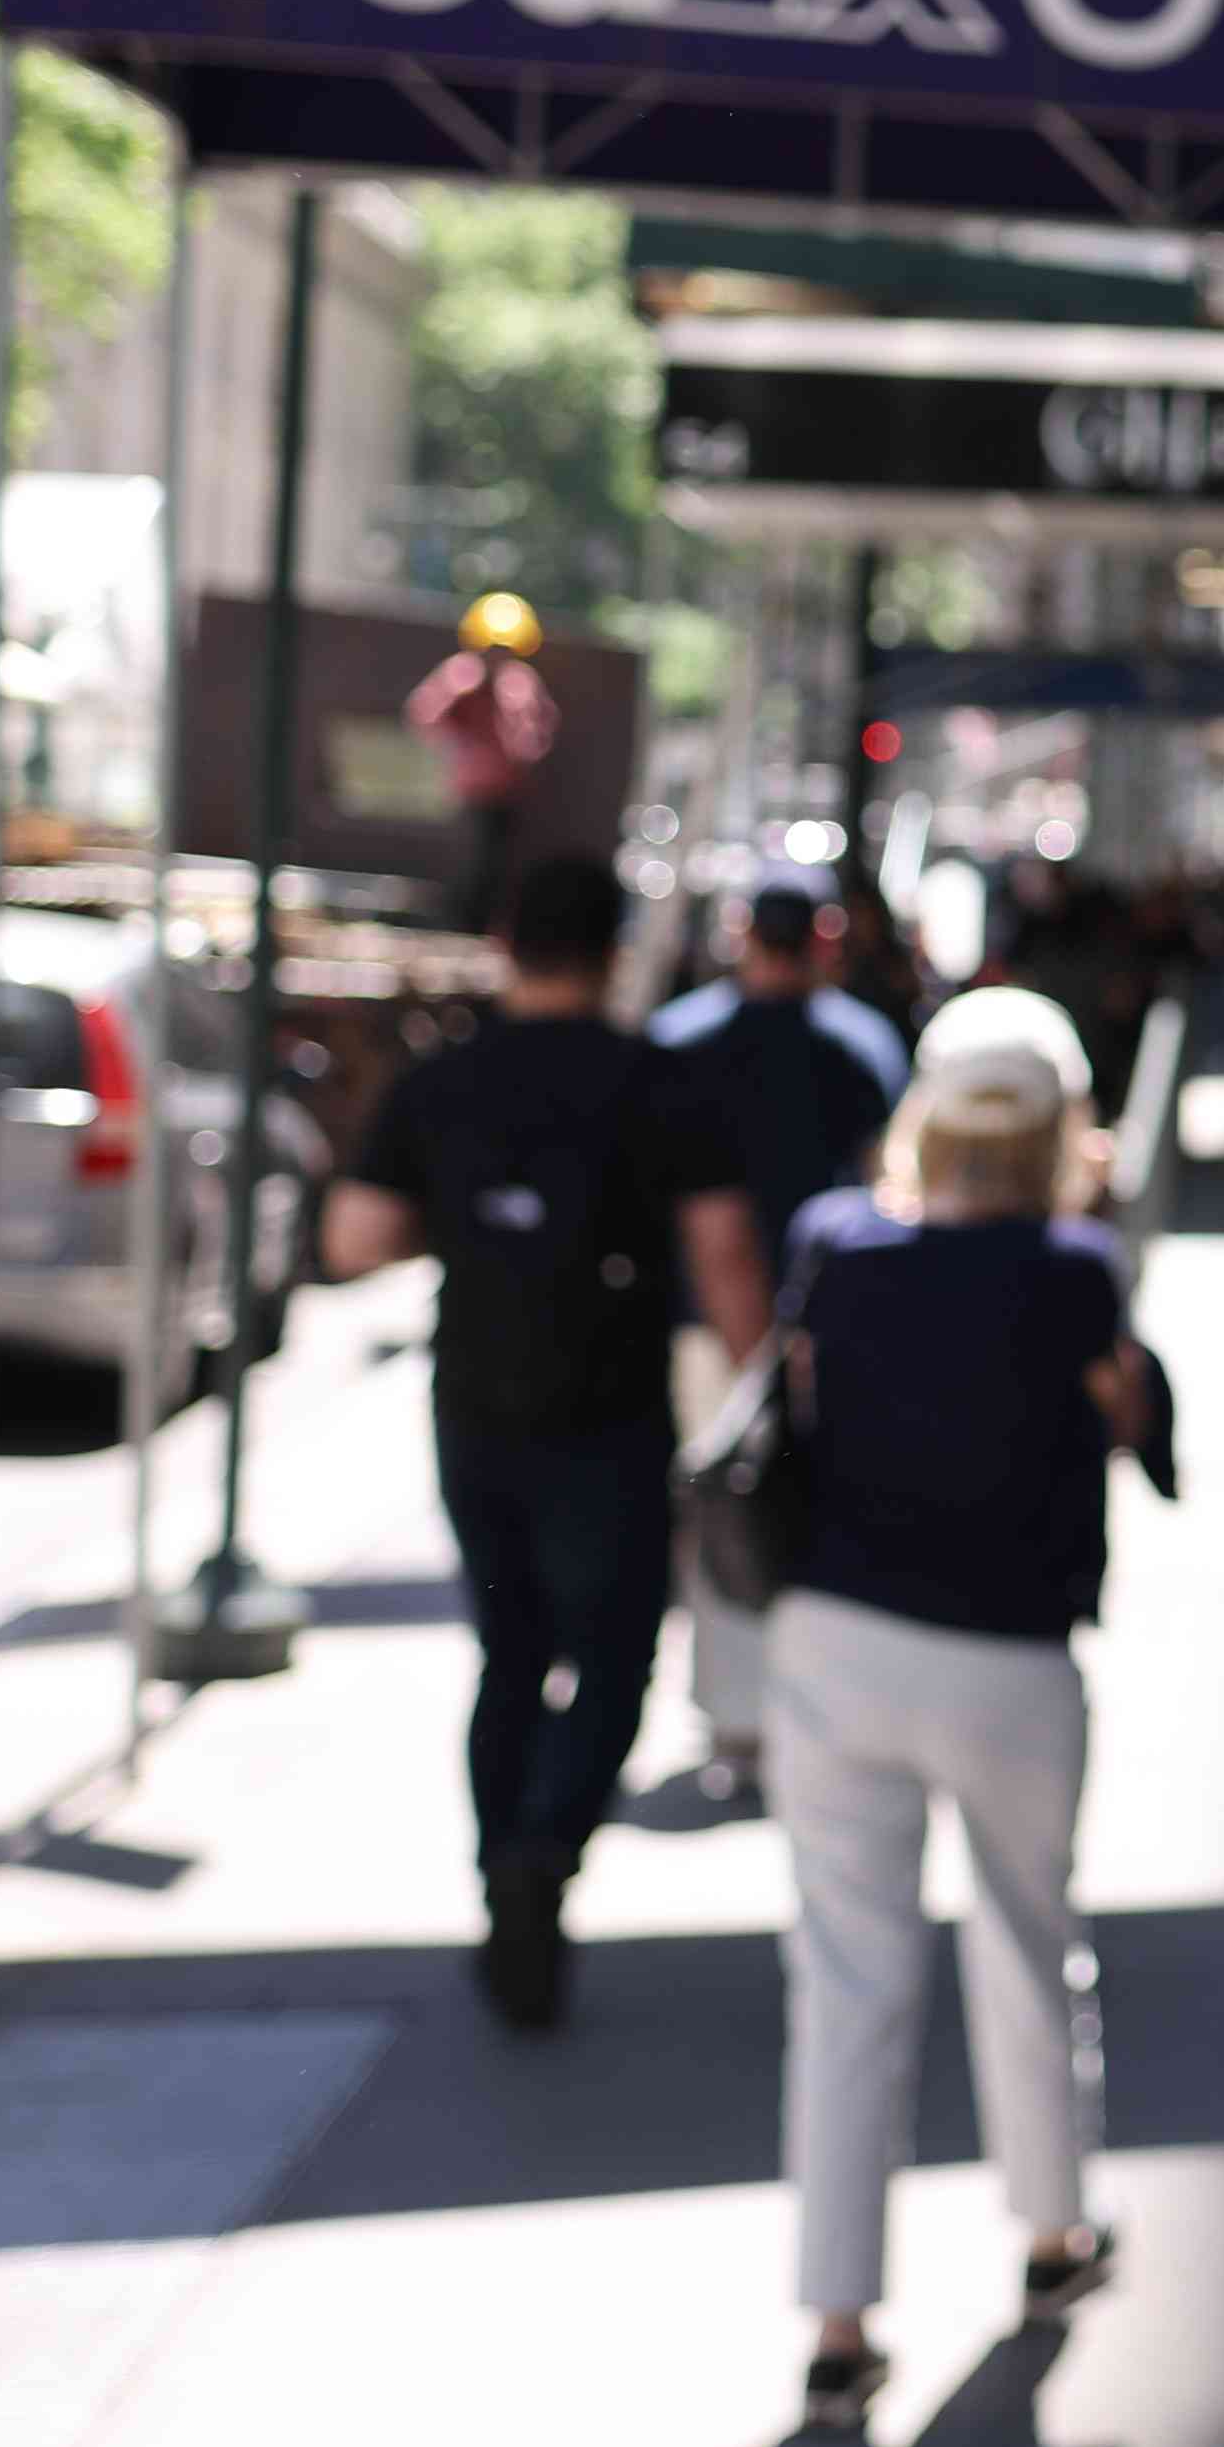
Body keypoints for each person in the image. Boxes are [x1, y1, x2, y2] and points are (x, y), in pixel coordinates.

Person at [761, 987, 1172, 2438]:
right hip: (1005, 1656)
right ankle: (1055, 2231)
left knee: (847, 1981)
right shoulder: (1073, 1269)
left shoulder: (831, 1245)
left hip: (837, 1645)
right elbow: (1141, 1427)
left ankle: (836, 2319)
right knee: (1024, 1937)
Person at [325, 847, 765, 2028]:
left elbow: (353, 1238)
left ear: (507, 940)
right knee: (616, 1653)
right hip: (609, 1405)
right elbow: (724, 1249)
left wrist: (469, 1228)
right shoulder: (655, 1081)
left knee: (508, 1650)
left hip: (476, 1396)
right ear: (615, 949)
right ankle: (545, 1849)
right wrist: (765, 1373)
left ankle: (501, 1871)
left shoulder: (440, 1083)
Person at [650, 876, 908, 1806]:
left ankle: (739, 1720)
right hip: (823, 1330)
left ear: (739, 935)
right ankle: (799, 1713)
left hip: (711, 1331)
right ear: (825, 938)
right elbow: (894, 1188)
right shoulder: (862, 1044)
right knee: (806, 1522)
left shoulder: (681, 1038)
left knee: (728, 1525)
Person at [406, 594, 564, 937]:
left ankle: (484, 931)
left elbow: (535, 735)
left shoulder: (520, 684)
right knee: (467, 866)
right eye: (492, 646)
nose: (497, 654)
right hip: (469, 793)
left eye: (505, 647)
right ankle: (454, 929)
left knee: (499, 869)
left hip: (509, 795)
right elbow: (425, 715)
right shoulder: (461, 675)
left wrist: (518, 743)